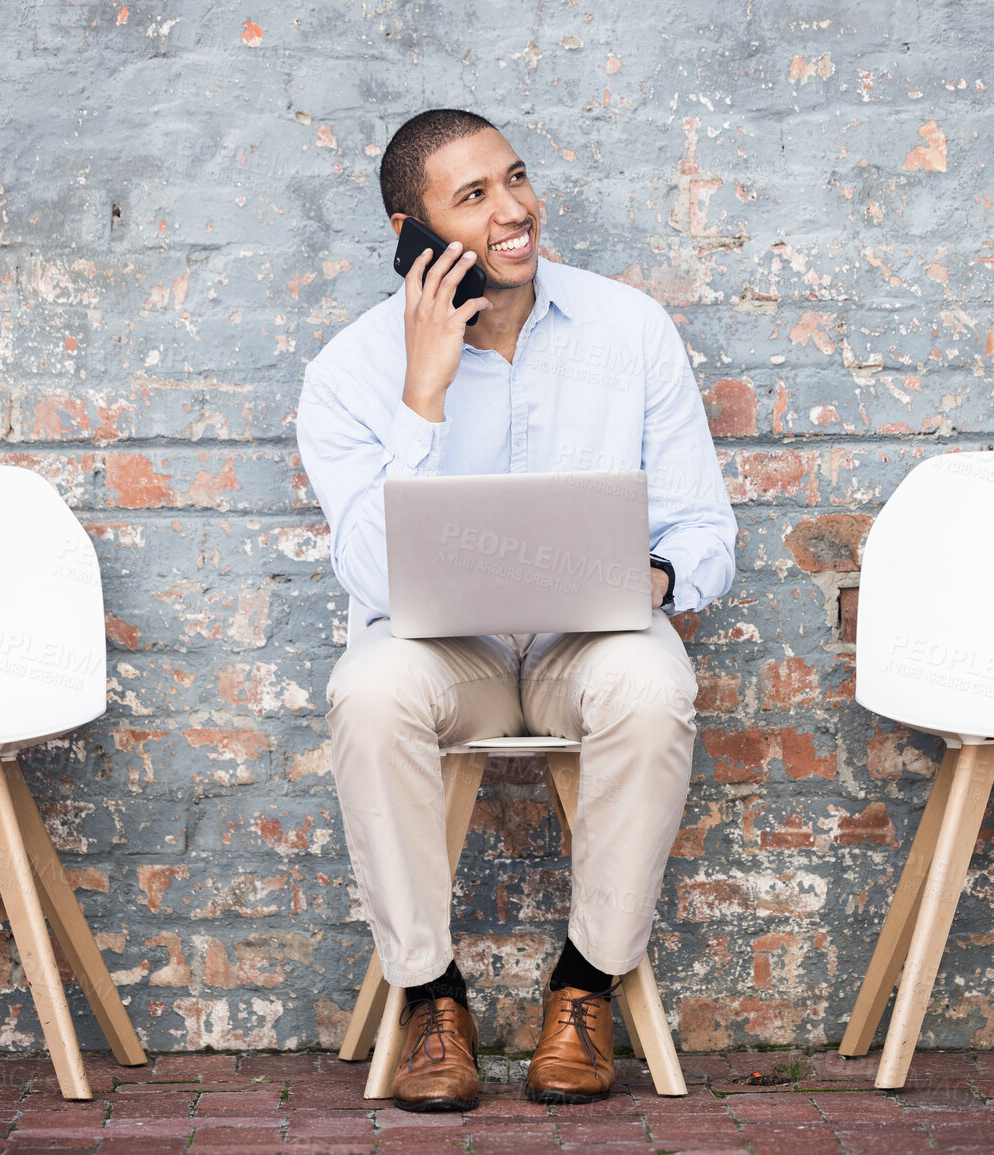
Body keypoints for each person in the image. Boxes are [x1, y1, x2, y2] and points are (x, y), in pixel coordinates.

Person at [295, 108, 737, 1111]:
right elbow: (370, 574)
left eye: (516, 179)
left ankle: (585, 988)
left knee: (653, 684)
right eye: (474, 197)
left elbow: (705, 526)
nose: (514, 210)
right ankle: (431, 997)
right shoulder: (350, 374)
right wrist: (424, 394)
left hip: (590, 641)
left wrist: (650, 582)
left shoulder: (630, 329)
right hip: (457, 658)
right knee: (366, 693)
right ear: (413, 235)